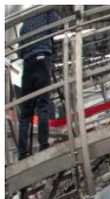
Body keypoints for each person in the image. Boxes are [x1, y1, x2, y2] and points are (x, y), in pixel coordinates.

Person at [17, 8, 61, 160]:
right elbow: (55, 28)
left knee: (25, 113)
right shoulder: (48, 11)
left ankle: (22, 152)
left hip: (28, 64)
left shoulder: (24, 22)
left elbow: (19, 52)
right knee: (43, 105)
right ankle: (43, 144)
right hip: (42, 58)